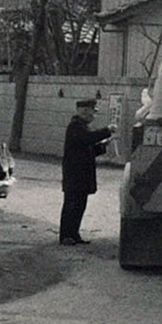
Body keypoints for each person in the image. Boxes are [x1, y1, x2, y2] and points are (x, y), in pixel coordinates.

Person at [59, 98, 115, 245]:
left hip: (81, 174)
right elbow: (87, 139)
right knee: (71, 205)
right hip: (75, 174)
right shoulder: (75, 126)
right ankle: (66, 235)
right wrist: (107, 131)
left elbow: (87, 149)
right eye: (92, 112)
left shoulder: (82, 127)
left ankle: (74, 234)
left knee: (79, 206)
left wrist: (102, 146)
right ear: (84, 111)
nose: (93, 116)